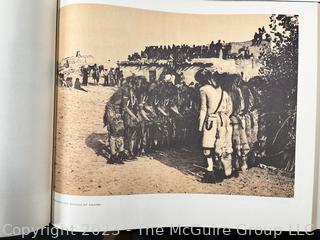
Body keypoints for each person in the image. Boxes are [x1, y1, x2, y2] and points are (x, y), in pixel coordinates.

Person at [195, 69, 224, 174]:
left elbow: (203, 109)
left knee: (207, 145)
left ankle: (210, 168)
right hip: (221, 119)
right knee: (219, 143)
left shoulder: (203, 89)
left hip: (210, 121)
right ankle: (220, 166)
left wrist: (200, 126)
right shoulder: (219, 89)